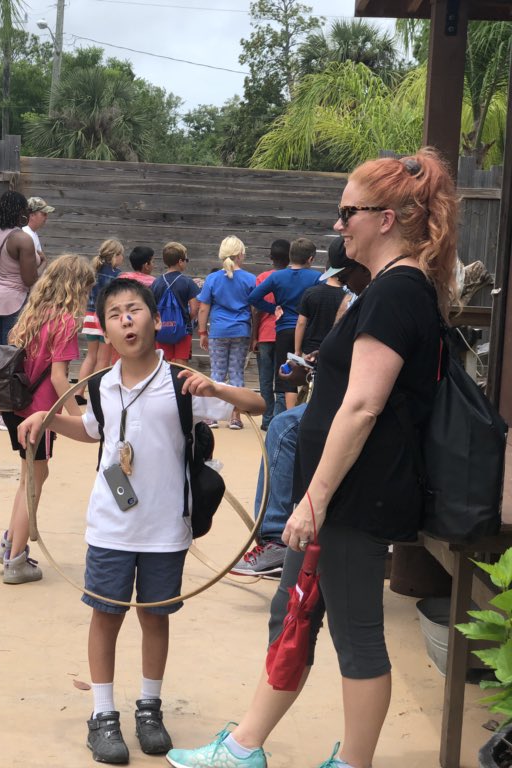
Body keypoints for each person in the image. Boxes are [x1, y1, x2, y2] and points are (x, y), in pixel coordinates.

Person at [167, 148, 457, 768]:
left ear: (387, 218)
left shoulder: (397, 292)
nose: (338, 224)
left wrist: (314, 502)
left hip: (351, 499)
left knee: (356, 635)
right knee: (291, 614)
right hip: (337, 497)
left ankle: (351, 762)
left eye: (347, 211)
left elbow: (363, 407)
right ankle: (244, 746)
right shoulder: (385, 290)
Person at [17, 277, 264, 765]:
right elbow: (92, 432)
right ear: (105, 333)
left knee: (155, 616)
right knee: (105, 615)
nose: (126, 319)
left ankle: (149, 707)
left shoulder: (184, 383)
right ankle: (103, 714)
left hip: (165, 527)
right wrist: (46, 418)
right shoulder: (102, 386)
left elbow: (257, 406)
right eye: (114, 314)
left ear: (156, 319)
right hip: (111, 524)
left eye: (135, 309)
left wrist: (214, 386)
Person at [231, 242, 372, 579]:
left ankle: (275, 537)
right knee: (283, 421)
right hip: (332, 389)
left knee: (283, 428)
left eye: (347, 276)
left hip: (350, 402)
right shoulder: (354, 298)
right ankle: (276, 535)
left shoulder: (372, 298)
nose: (346, 283)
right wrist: (310, 364)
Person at [0, 254, 93, 585]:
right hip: (40, 413)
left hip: (14, 409)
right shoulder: (65, 323)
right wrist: (81, 420)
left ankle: (10, 543)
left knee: (30, 478)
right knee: (32, 484)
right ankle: (16, 560)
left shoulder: (33, 313)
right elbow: (58, 378)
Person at [0, 191, 41, 428]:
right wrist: (40, 264)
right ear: (20, 211)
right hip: (15, 299)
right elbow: (28, 279)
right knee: (15, 354)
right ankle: (10, 411)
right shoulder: (22, 239)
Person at [247, 238, 321, 412]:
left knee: (287, 375)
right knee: (310, 371)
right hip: (308, 331)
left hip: (284, 329)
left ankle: (286, 415)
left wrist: (273, 309)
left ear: (290, 256)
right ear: (310, 259)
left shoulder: (277, 276)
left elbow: (253, 298)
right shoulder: (317, 278)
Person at [195, 236, 256, 429]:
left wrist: (202, 331)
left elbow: (204, 308)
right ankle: (235, 417)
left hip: (219, 330)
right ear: (240, 255)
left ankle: (212, 417)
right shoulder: (250, 279)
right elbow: (254, 309)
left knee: (217, 374)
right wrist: (253, 335)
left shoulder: (212, 279)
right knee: (237, 373)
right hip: (241, 330)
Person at [77, 239, 124, 405]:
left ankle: (79, 392)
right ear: (115, 256)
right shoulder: (116, 275)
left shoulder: (92, 271)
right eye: (121, 255)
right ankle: (95, 395)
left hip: (89, 317)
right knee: (103, 359)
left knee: (90, 356)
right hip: (103, 319)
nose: (122, 259)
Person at [253, 240, 290, 430]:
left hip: (265, 334)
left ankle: (267, 419)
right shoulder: (292, 277)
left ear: (270, 258)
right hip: (285, 333)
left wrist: (254, 337)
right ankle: (279, 419)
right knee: (283, 379)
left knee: (265, 379)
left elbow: (256, 309)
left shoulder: (262, 277)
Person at [294, 238, 348, 358]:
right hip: (334, 350)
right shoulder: (347, 297)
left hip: (309, 350)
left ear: (325, 270)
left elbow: (301, 322)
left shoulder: (310, 292)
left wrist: (297, 350)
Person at [151, 242, 200, 366]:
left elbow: (151, 308)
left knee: (164, 363)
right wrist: (186, 320)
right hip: (183, 329)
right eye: (186, 259)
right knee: (181, 365)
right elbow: (194, 309)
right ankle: (179, 385)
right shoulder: (188, 283)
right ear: (180, 261)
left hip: (162, 329)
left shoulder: (156, 283)